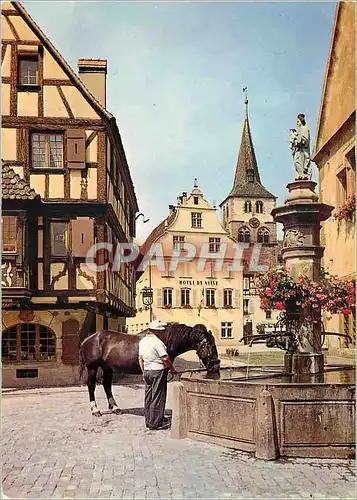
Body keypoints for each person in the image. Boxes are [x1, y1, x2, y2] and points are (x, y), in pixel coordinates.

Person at [138, 320, 177, 430]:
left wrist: (143, 372)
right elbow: (165, 358)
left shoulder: (143, 341)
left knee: (148, 396)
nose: (163, 333)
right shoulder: (158, 343)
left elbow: (140, 359)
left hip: (147, 371)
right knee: (158, 396)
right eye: (162, 331)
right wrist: (172, 369)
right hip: (158, 371)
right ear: (157, 332)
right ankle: (155, 423)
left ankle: (148, 420)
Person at [290, 113, 312, 180]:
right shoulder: (300, 129)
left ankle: (303, 174)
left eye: (297, 121)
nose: (297, 123)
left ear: (301, 121)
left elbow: (305, 139)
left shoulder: (304, 128)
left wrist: (298, 142)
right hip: (299, 150)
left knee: (299, 162)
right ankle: (300, 174)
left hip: (303, 150)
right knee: (296, 161)